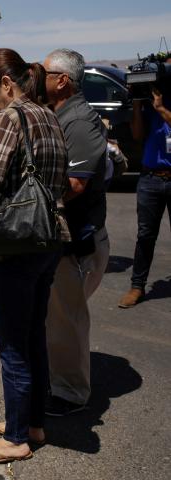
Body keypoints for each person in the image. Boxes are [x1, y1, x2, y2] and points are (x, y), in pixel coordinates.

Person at [0, 49, 68, 464]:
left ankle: (15, 438)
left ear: (6, 84)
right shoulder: (48, 115)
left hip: (15, 243)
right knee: (33, 337)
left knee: (12, 344)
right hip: (47, 238)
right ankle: (32, 424)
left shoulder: (9, 118)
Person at [42, 48, 109, 416]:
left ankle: (70, 392)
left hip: (79, 243)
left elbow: (76, 184)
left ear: (62, 80)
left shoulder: (79, 120)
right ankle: (58, 378)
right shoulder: (61, 114)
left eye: (46, 73)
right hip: (64, 240)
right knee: (57, 315)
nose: (40, 79)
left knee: (67, 317)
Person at [118, 55, 171, 308]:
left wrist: (162, 109)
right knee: (145, 235)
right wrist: (138, 104)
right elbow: (138, 135)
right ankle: (137, 286)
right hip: (151, 177)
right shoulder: (150, 103)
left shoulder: (160, 105)